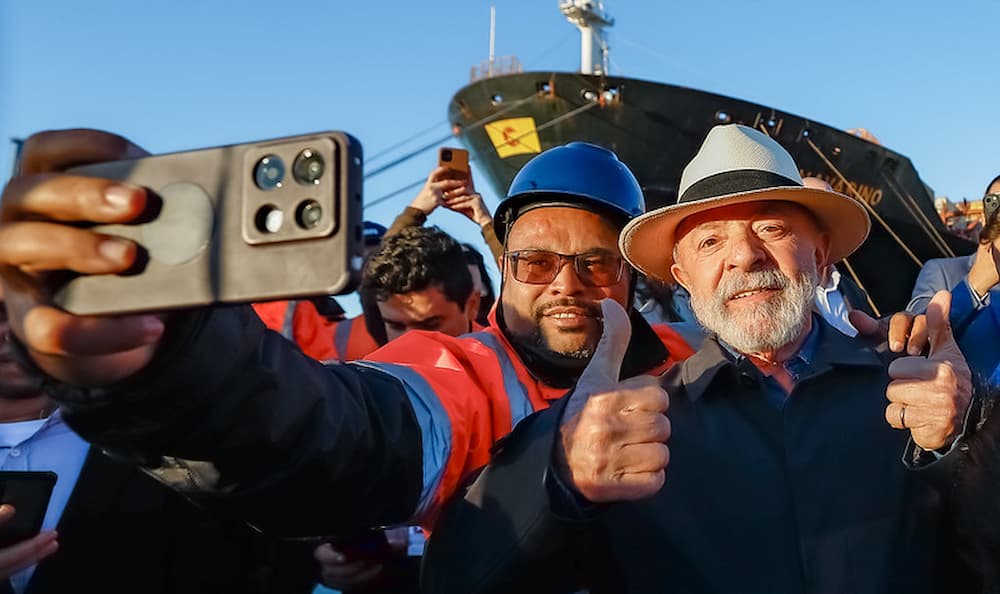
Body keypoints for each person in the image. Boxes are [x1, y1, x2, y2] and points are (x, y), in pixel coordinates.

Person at [0, 132, 693, 548]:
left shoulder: (697, 365)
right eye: (537, 263)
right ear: (503, 269)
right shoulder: (459, 372)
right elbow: (338, 429)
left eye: (597, 263)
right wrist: (173, 357)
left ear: (633, 275)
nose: (565, 286)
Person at [420, 124, 976, 594]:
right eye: (710, 242)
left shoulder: (916, 395)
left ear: (821, 254)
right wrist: (559, 472)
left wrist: (974, 430)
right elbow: (453, 578)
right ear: (682, 276)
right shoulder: (628, 428)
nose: (743, 255)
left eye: (772, 228)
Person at [0, 285, 316, 594]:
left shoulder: (179, 439)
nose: (12, 332)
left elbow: (273, 559)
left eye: (35, 310)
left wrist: (339, 567)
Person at [252, 221, 387, 362]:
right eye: (356, 257)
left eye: (375, 257)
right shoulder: (288, 307)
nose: (366, 267)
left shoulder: (339, 321)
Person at [908, 174, 1000, 380]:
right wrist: (974, 285)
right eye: (997, 203)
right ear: (985, 216)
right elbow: (914, 338)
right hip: (968, 407)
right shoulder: (941, 271)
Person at [363, 226, 482, 342]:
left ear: (472, 306)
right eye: (396, 326)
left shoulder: (499, 353)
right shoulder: (372, 360)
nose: (410, 343)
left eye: (430, 325)